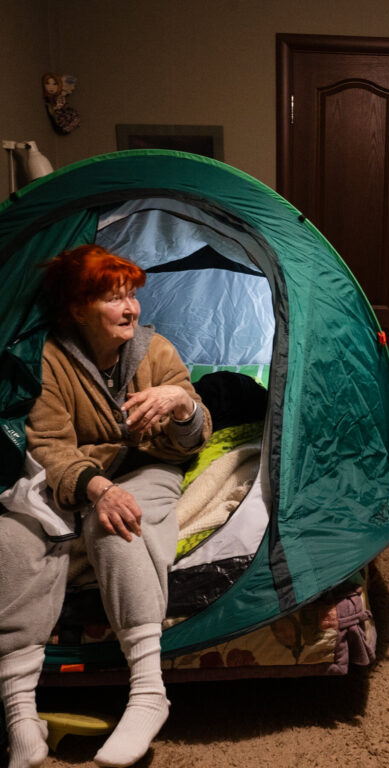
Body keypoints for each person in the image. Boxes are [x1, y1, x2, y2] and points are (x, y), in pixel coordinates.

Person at [0, 244, 211, 768]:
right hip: (84, 479)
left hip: (149, 468)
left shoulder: (156, 350)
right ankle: (21, 715)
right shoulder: (51, 358)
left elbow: (195, 437)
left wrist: (182, 404)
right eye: (115, 298)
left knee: (116, 526)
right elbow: (49, 446)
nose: (131, 307)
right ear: (78, 309)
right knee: (11, 538)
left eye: (132, 295)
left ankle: (149, 692)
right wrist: (95, 485)